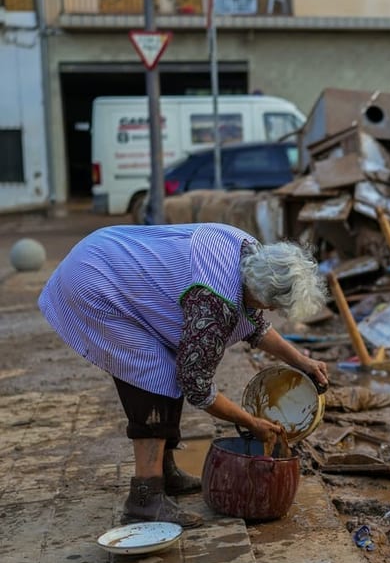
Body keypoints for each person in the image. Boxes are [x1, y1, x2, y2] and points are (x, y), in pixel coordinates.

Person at [38, 223, 330, 528]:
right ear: (268, 297)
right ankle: (144, 500)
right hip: (96, 283)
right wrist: (250, 422)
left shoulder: (249, 253)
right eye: (275, 305)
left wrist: (302, 362)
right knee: (152, 376)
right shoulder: (214, 304)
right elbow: (197, 387)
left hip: (106, 252)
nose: (271, 310)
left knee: (169, 369)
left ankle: (164, 472)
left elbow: (253, 322)